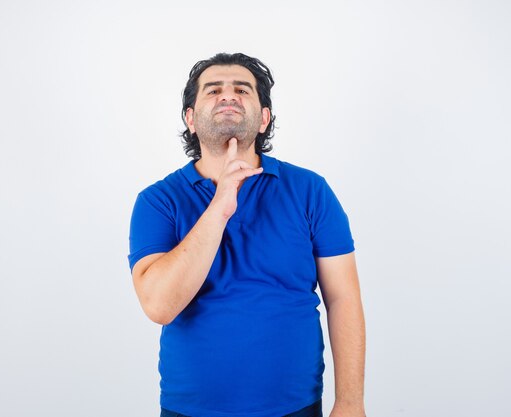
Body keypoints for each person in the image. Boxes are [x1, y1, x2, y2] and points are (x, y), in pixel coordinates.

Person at [128, 53, 366, 417]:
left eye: (242, 89)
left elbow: (343, 298)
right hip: (189, 411)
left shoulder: (310, 191)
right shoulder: (158, 201)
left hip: (296, 408)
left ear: (264, 119)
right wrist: (220, 205)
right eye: (213, 90)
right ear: (190, 119)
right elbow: (159, 305)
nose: (228, 96)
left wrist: (350, 403)